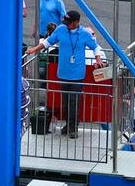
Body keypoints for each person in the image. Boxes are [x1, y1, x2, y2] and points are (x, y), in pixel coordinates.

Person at [32, 10, 97, 138]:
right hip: (63, 73)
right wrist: (34, 49)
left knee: (74, 102)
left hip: (77, 75)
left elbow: (95, 47)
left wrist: (98, 58)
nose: (67, 24)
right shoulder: (61, 29)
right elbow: (47, 42)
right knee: (66, 103)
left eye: (69, 22)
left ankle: (73, 128)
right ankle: (68, 125)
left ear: (76, 22)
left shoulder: (84, 33)